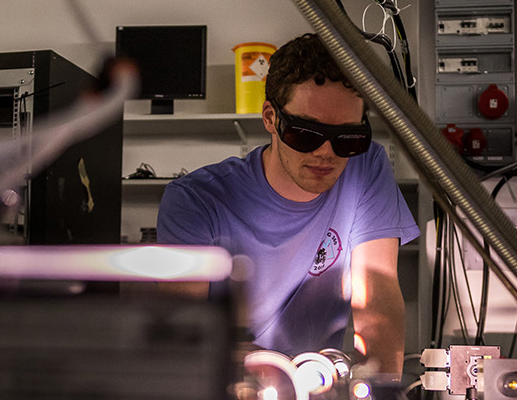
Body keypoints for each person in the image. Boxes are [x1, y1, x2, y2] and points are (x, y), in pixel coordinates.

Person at [157, 33, 419, 375]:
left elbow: (377, 293)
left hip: (320, 382)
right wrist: (281, 373)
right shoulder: (195, 200)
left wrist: (382, 387)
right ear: (271, 118)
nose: (325, 152)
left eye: (347, 138)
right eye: (306, 134)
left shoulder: (365, 166)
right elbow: (184, 331)